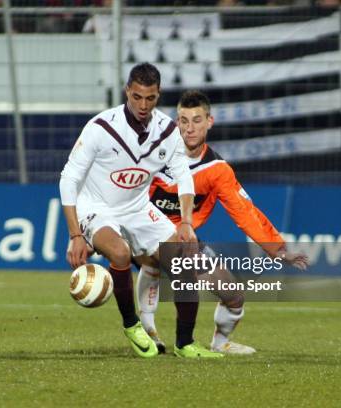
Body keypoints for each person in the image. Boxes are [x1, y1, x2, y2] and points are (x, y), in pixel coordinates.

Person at [60, 63, 222, 359]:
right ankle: (132, 325)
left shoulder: (168, 131)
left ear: (158, 95)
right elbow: (68, 178)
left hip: (136, 206)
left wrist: (186, 222)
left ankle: (185, 343)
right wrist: (75, 234)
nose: (143, 105)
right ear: (127, 92)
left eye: (150, 98)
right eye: (137, 97)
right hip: (96, 206)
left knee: (184, 258)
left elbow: (183, 176)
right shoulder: (101, 128)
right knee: (121, 253)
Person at [137, 90, 309, 354]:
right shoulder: (153, 156)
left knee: (234, 296)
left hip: (186, 241)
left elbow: (244, 211)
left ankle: (220, 343)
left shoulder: (217, 170)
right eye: (184, 121)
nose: (190, 128)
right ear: (176, 123)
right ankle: (149, 332)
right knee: (155, 255)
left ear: (209, 122)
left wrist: (277, 248)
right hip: (142, 232)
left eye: (197, 120)